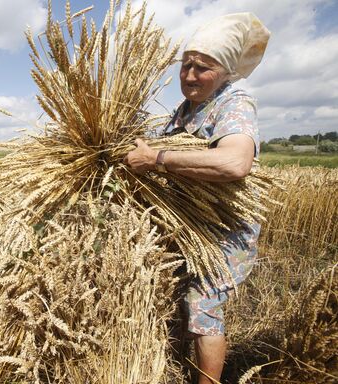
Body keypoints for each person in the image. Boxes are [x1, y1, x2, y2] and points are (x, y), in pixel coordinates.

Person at [123, 13, 270, 384]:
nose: (189, 75)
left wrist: (157, 159)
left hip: (223, 232)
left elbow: (235, 163)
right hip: (188, 225)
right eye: (185, 64)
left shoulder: (234, 103)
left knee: (202, 308)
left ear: (225, 72)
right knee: (175, 302)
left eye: (202, 68)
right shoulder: (185, 110)